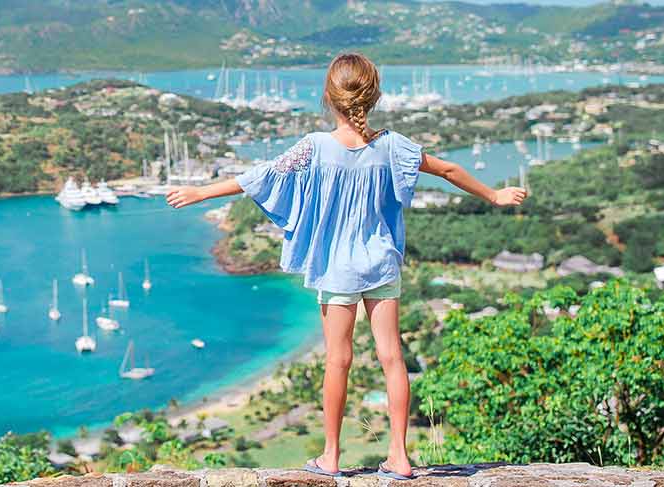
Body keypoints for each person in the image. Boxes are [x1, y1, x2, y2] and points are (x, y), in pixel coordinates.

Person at [165, 52, 527, 479]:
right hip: (382, 263)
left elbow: (258, 178)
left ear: (329, 98)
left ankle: (331, 457)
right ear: (373, 97)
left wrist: (200, 192)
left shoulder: (316, 147)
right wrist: (495, 196)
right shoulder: (392, 146)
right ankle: (400, 457)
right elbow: (446, 168)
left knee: (338, 360)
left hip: (339, 270)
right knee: (392, 357)